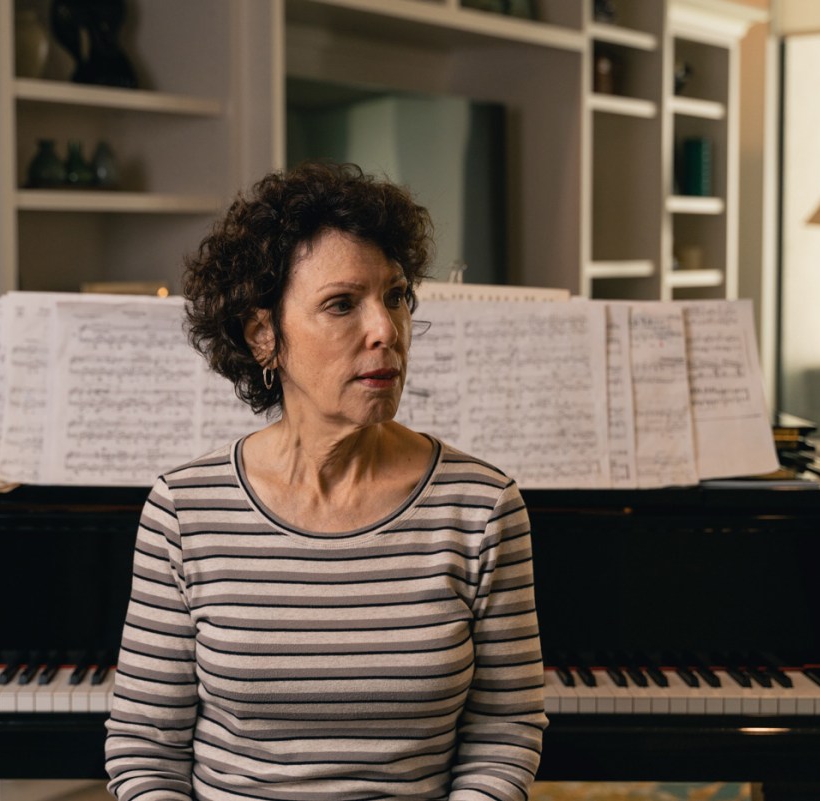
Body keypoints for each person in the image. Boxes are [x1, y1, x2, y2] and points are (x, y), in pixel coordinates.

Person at [105, 161, 547, 800]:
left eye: (395, 296)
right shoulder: (183, 510)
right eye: (342, 304)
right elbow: (145, 750)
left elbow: (505, 731)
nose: (385, 330)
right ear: (264, 335)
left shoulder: (481, 507)